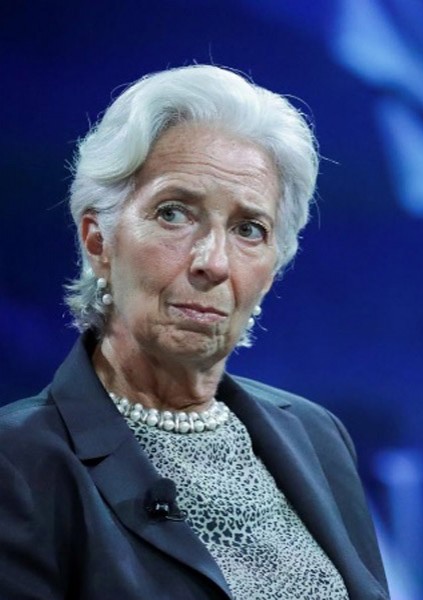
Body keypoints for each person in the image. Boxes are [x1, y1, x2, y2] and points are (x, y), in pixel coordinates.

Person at [0, 65, 389, 600]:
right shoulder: (18, 461)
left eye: (249, 229)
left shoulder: (317, 436)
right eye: (175, 213)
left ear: (274, 267)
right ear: (99, 241)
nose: (214, 262)